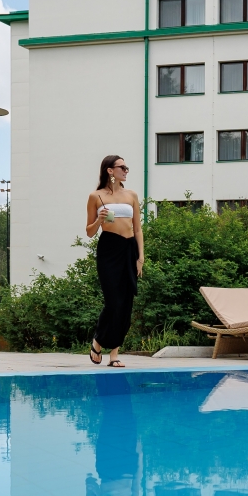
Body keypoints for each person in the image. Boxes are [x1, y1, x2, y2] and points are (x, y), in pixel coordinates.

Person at [85, 154, 144, 367]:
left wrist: (140, 257)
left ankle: (114, 354)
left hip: (129, 249)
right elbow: (89, 232)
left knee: (126, 303)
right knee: (113, 303)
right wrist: (99, 220)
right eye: (122, 167)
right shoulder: (96, 196)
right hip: (109, 249)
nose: (126, 171)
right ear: (110, 170)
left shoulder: (131, 195)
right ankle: (98, 340)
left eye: (127, 168)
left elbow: (138, 228)